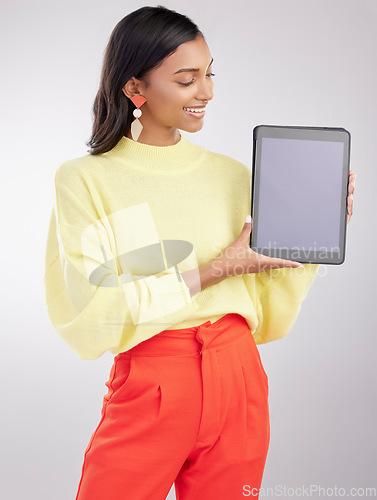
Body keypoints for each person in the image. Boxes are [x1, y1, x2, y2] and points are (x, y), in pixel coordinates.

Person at [43, 6, 356, 500]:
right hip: (152, 379)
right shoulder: (85, 180)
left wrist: (313, 235)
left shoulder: (236, 176)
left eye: (209, 75)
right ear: (134, 89)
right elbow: (96, 308)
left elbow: (268, 296)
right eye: (187, 80)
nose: (207, 93)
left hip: (239, 374)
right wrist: (218, 269)